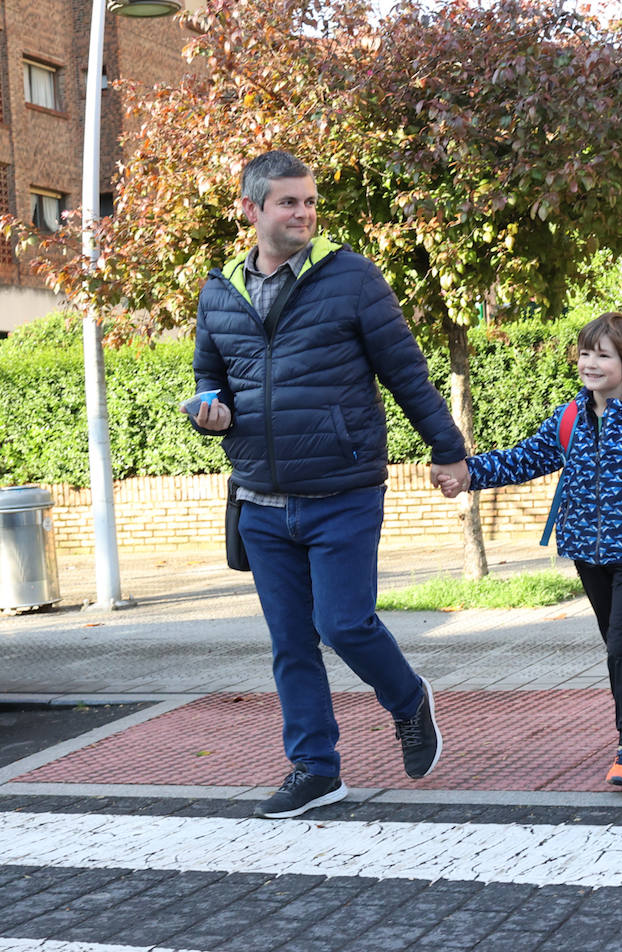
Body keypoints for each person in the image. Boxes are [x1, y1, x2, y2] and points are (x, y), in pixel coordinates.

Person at [187, 150, 468, 819]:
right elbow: (208, 377)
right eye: (289, 202)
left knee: (343, 623)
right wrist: (210, 411)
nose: (304, 213)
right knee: (290, 643)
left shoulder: (351, 279)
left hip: (343, 489)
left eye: (309, 201)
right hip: (259, 498)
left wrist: (448, 450)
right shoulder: (218, 291)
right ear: (252, 210)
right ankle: (315, 768)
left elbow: (406, 371)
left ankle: (407, 699)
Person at [437, 312, 622, 788]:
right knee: (619, 646)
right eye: (586, 352)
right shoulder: (569, 417)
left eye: (603, 355)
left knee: (620, 645)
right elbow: (524, 458)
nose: (590, 363)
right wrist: (467, 473)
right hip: (586, 553)